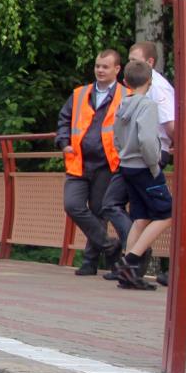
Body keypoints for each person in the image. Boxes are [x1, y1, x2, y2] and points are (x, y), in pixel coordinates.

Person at [100, 41, 176, 281]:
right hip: (145, 166)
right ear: (150, 80)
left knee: (141, 216)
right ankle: (131, 260)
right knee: (166, 213)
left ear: (124, 82)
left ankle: (127, 271)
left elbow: (116, 136)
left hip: (127, 164)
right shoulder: (149, 105)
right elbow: (146, 138)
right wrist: (154, 164)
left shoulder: (123, 103)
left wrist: (123, 154)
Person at [55, 49, 125, 276]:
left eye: (105, 67)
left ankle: (89, 262)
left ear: (117, 69)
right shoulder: (80, 94)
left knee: (98, 211)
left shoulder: (126, 95)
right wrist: (63, 141)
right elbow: (64, 119)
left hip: (107, 162)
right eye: (98, 66)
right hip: (78, 160)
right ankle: (109, 245)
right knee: (72, 205)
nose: (100, 70)